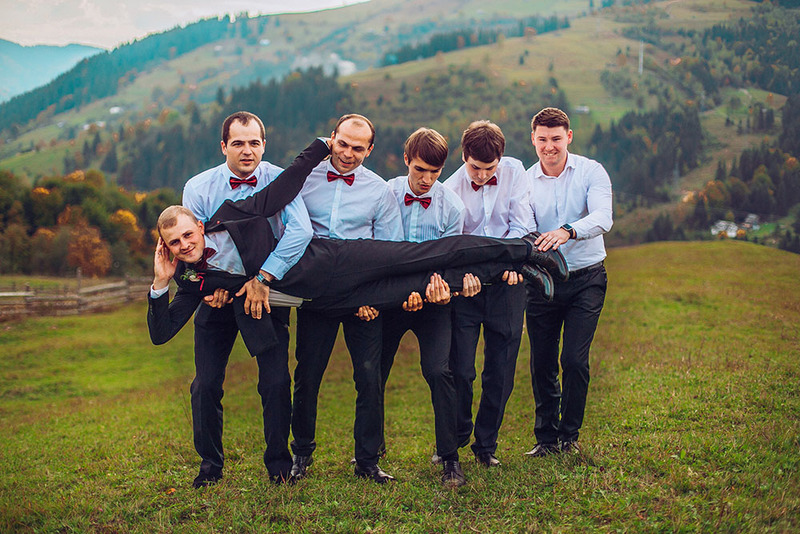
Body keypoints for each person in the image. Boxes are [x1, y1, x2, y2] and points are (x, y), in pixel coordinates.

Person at [179, 110, 313, 487]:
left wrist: (264, 277)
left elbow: (299, 231)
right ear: (224, 146)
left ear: (264, 145)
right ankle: (210, 466)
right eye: (238, 143)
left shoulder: (277, 180)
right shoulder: (198, 188)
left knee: (274, 381)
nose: (247, 151)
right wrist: (210, 288)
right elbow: (193, 247)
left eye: (254, 142)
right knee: (205, 384)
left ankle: (279, 466)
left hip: (263, 293)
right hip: (217, 296)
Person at [443, 120, 551, 468]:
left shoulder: (515, 171)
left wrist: (511, 260)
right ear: (464, 157)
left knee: (500, 370)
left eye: (489, 168)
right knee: (461, 369)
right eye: (475, 167)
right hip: (467, 287)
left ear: (501, 160)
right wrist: (506, 257)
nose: (481, 174)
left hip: (509, 285)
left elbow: (522, 225)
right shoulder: (449, 189)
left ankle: (485, 446)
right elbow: (456, 246)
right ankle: (457, 435)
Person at [380, 128, 470, 488]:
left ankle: (450, 459)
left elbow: (449, 261)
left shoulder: (452, 206)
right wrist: (399, 291)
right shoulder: (385, 194)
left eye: (434, 172)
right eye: (420, 170)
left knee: (439, 371)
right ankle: (370, 451)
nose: (426, 180)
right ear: (406, 161)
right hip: (389, 298)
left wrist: (439, 287)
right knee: (372, 373)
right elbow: (379, 251)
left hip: (433, 302)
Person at [523, 107, 613, 458]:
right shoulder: (525, 182)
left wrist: (567, 231)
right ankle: (545, 439)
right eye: (542, 139)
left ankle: (569, 436)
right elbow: (525, 228)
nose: (549, 147)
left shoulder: (592, 172)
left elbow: (603, 217)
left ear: (569, 137)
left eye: (556, 139)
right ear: (533, 139)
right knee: (542, 361)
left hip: (587, 279)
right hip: (542, 282)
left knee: (574, 360)